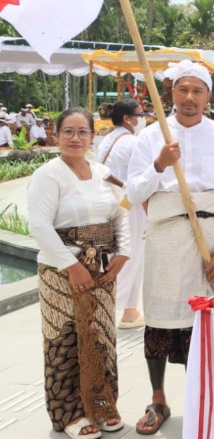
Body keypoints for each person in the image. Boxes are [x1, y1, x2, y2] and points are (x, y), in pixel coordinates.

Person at [126, 60, 214, 435]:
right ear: (171, 93)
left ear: (209, 95)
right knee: (159, 319)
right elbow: (132, 193)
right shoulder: (150, 137)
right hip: (165, 239)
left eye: (198, 90)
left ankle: (202, 397)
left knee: (204, 322)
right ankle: (158, 398)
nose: (190, 98)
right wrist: (160, 164)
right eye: (182, 89)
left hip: (208, 240)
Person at [27, 108, 129, 438]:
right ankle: (69, 413)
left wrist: (123, 253)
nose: (75, 138)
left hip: (101, 269)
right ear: (56, 135)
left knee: (101, 336)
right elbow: (39, 226)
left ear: (91, 137)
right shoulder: (48, 174)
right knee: (65, 339)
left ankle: (102, 403)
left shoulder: (101, 171)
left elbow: (120, 215)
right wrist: (71, 266)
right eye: (68, 131)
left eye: (82, 132)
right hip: (61, 270)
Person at [95, 99, 148, 329]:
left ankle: (129, 309)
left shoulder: (106, 139)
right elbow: (144, 178)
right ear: (128, 118)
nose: (143, 118)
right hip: (128, 206)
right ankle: (116, 308)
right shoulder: (132, 143)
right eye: (141, 114)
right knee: (131, 255)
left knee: (124, 254)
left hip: (110, 205)